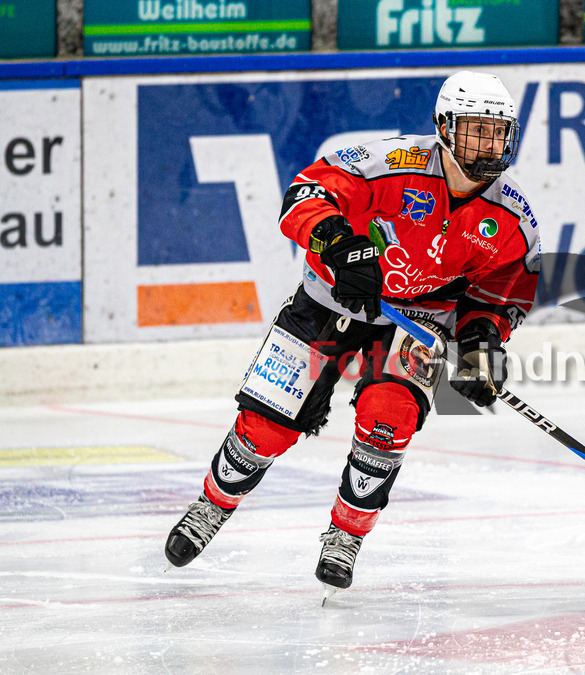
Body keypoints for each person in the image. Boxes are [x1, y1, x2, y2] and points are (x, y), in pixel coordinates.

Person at [163, 71, 541, 597]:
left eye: (498, 132)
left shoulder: (512, 217)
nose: (489, 145)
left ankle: (346, 537)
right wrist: (340, 246)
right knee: (265, 427)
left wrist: (481, 340)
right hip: (327, 305)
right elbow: (304, 194)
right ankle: (213, 503)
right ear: (443, 127)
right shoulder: (390, 165)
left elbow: (503, 290)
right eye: (476, 130)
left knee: (390, 421)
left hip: (415, 323)